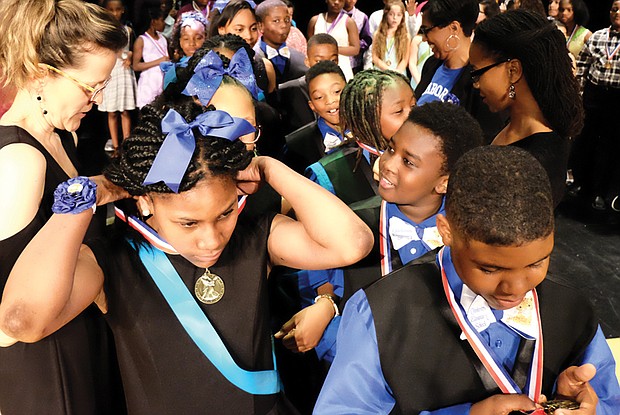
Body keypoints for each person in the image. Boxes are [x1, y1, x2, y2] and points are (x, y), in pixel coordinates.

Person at [0, 76, 374, 413]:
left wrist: (268, 168)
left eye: (225, 213)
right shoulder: (112, 259)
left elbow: (351, 244)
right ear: (145, 201)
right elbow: (23, 321)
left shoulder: (255, 234)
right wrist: (89, 194)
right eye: (188, 222)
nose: (211, 239)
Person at [314, 145, 620, 414]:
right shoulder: (381, 314)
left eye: (537, 263)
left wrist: (575, 405)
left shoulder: (572, 311)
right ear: (446, 231)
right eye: (489, 269)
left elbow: (610, 401)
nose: (516, 289)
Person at [277, 102, 484, 364]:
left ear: (445, 182)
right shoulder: (351, 226)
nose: (387, 164)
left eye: (408, 161)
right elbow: (323, 291)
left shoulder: (472, 235)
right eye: (390, 148)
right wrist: (327, 307)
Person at [0, 0, 128, 413]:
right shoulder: (20, 162)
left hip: (79, 348)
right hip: (42, 376)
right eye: (91, 86)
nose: (99, 98)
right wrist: (96, 267)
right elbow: (10, 325)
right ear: (41, 72)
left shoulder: (62, 139)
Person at [470, 9, 583, 208]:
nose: (475, 84)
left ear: (513, 70)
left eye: (478, 73)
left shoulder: (536, 161)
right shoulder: (517, 123)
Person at [415, 0, 505, 143]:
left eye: (427, 30)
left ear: (454, 28)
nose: (424, 38)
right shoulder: (431, 64)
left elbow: (484, 140)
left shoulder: (483, 77)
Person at [570, 0, 620, 211]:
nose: (617, 12)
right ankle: (583, 184)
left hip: (617, 99)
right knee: (586, 140)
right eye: (614, 8)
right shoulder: (598, 36)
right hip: (594, 94)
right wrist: (579, 93)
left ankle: (604, 192)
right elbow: (582, 65)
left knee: (609, 148)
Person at [281, 60, 347, 174]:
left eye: (336, 91)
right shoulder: (297, 146)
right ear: (312, 105)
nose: (330, 101)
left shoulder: (374, 128)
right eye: (319, 97)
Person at [209, 0, 277, 96]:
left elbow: (274, 108)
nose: (248, 36)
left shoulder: (266, 68)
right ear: (221, 29)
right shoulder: (207, 68)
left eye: (253, 29)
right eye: (239, 29)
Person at [277, 33, 340, 135]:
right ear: (307, 61)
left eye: (332, 60)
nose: (326, 66)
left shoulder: (347, 89)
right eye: (319, 61)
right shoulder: (288, 91)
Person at [99, 0, 138, 156]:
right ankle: (116, 146)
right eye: (111, 10)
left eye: (118, 10)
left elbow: (131, 49)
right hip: (111, 71)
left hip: (124, 71)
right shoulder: (104, 30)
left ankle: (126, 143)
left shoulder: (128, 30)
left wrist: (130, 55)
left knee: (125, 110)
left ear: (123, 10)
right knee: (112, 111)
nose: (115, 13)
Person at [254, 0, 308, 84]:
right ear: (261, 26)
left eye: (287, 20)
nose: (284, 25)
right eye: (276, 21)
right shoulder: (253, 60)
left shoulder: (300, 59)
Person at [308, 0, 360, 81]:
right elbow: (310, 46)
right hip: (318, 66)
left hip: (342, 66)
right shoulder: (315, 20)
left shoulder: (349, 22)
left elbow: (355, 49)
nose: (336, 2)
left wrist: (332, 50)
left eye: (340, 0)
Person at [134, 8, 170, 108]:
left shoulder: (163, 38)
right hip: (149, 83)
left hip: (162, 80)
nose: (164, 23)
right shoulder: (141, 40)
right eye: (162, 20)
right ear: (153, 22)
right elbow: (136, 66)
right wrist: (158, 61)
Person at [372, 0, 410, 75]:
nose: (395, 18)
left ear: (403, 17)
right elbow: (375, 57)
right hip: (380, 73)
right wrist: (388, 70)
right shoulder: (378, 34)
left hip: (398, 73)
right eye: (391, 14)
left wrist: (397, 72)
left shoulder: (406, 36)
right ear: (386, 15)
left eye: (399, 15)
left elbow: (405, 59)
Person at [343, 0, 373, 74]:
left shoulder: (362, 17)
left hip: (354, 63)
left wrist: (355, 45)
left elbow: (367, 39)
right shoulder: (334, 15)